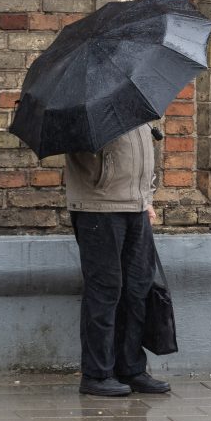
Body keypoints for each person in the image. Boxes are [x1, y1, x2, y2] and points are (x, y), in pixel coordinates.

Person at [65, 124, 171, 397]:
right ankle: (97, 374)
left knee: (137, 290)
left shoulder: (130, 98)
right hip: (98, 207)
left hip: (135, 207)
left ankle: (131, 369)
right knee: (104, 291)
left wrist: (146, 197)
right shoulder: (83, 100)